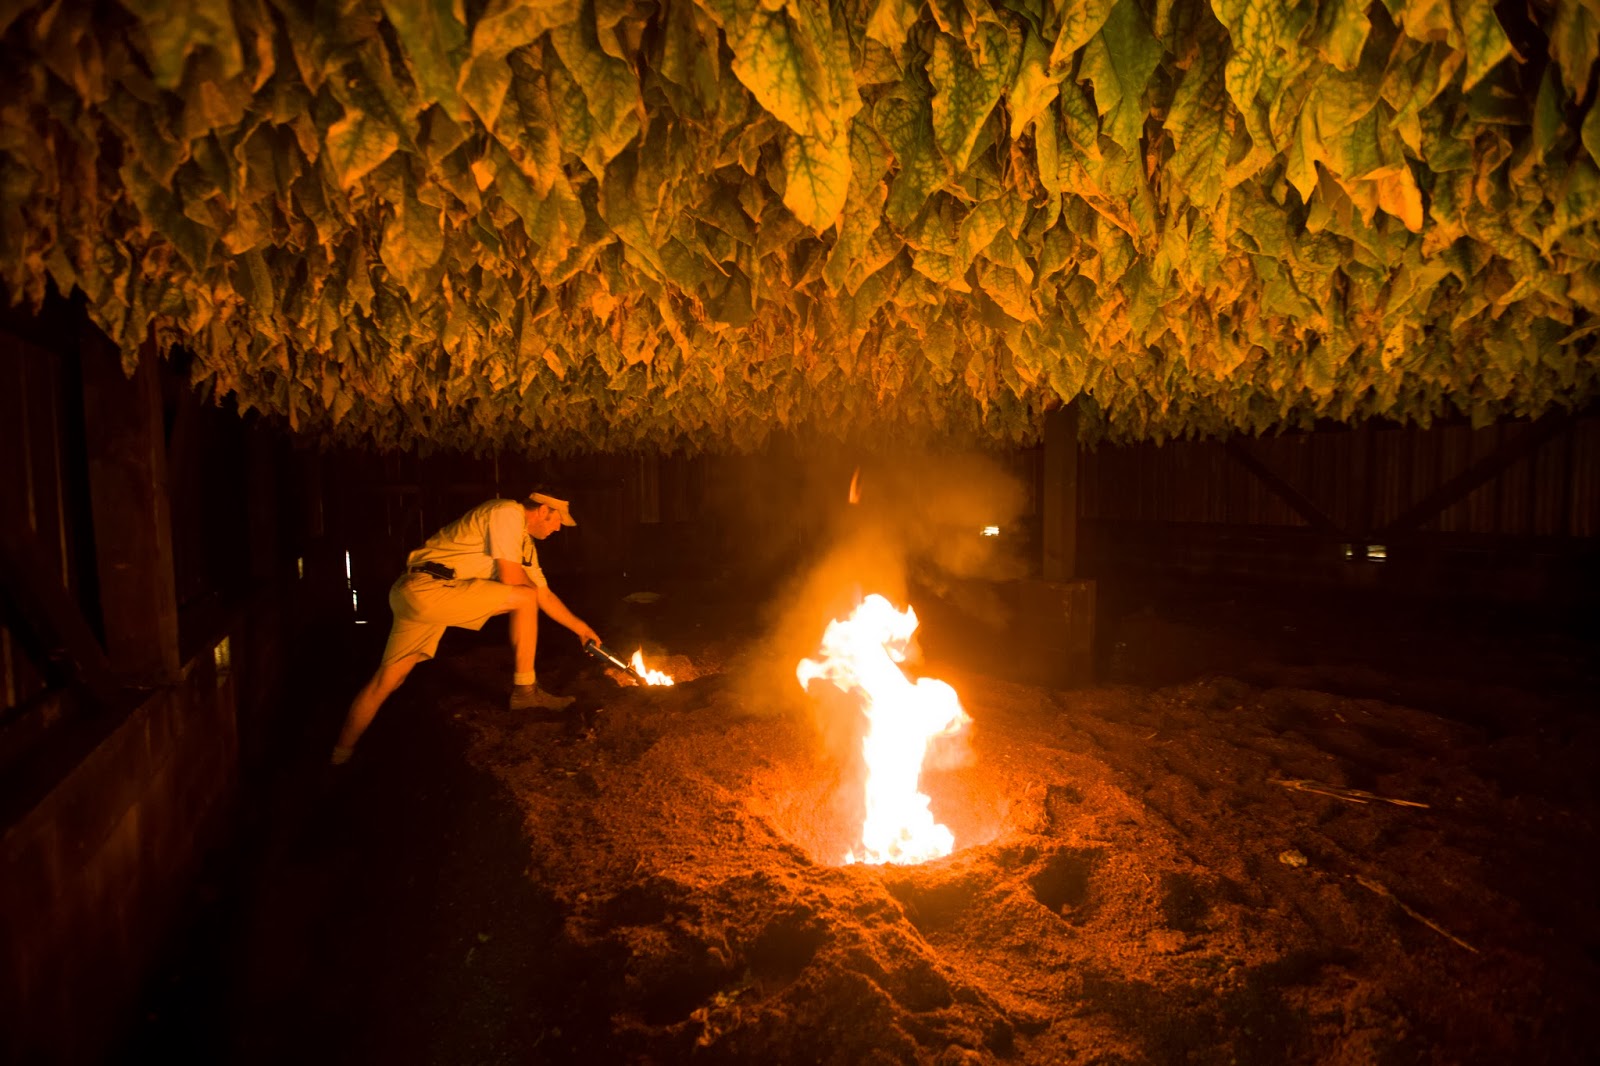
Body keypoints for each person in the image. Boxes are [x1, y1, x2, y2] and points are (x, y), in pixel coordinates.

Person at [330, 489, 601, 765]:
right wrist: (531, 593)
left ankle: (340, 755)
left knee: (387, 681)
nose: (558, 528)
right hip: (429, 588)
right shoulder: (506, 512)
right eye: (557, 521)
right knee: (524, 597)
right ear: (543, 510)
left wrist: (581, 628)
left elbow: (543, 593)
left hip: (418, 594)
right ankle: (525, 690)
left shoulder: (523, 545)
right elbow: (513, 580)